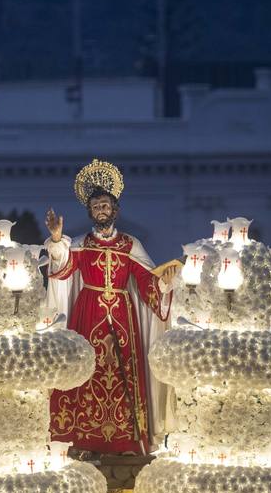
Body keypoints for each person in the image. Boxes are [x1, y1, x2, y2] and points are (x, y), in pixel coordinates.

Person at [45, 158, 177, 455]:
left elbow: (146, 281)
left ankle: (127, 441)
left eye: (105, 206)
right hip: (88, 313)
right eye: (96, 207)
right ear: (90, 212)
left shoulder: (131, 245)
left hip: (122, 315)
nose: (101, 211)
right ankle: (83, 440)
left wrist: (165, 284)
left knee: (124, 371)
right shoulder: (80, 244)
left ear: (114, 210)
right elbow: (62, 267)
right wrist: (56, 240)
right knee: (87, 370)